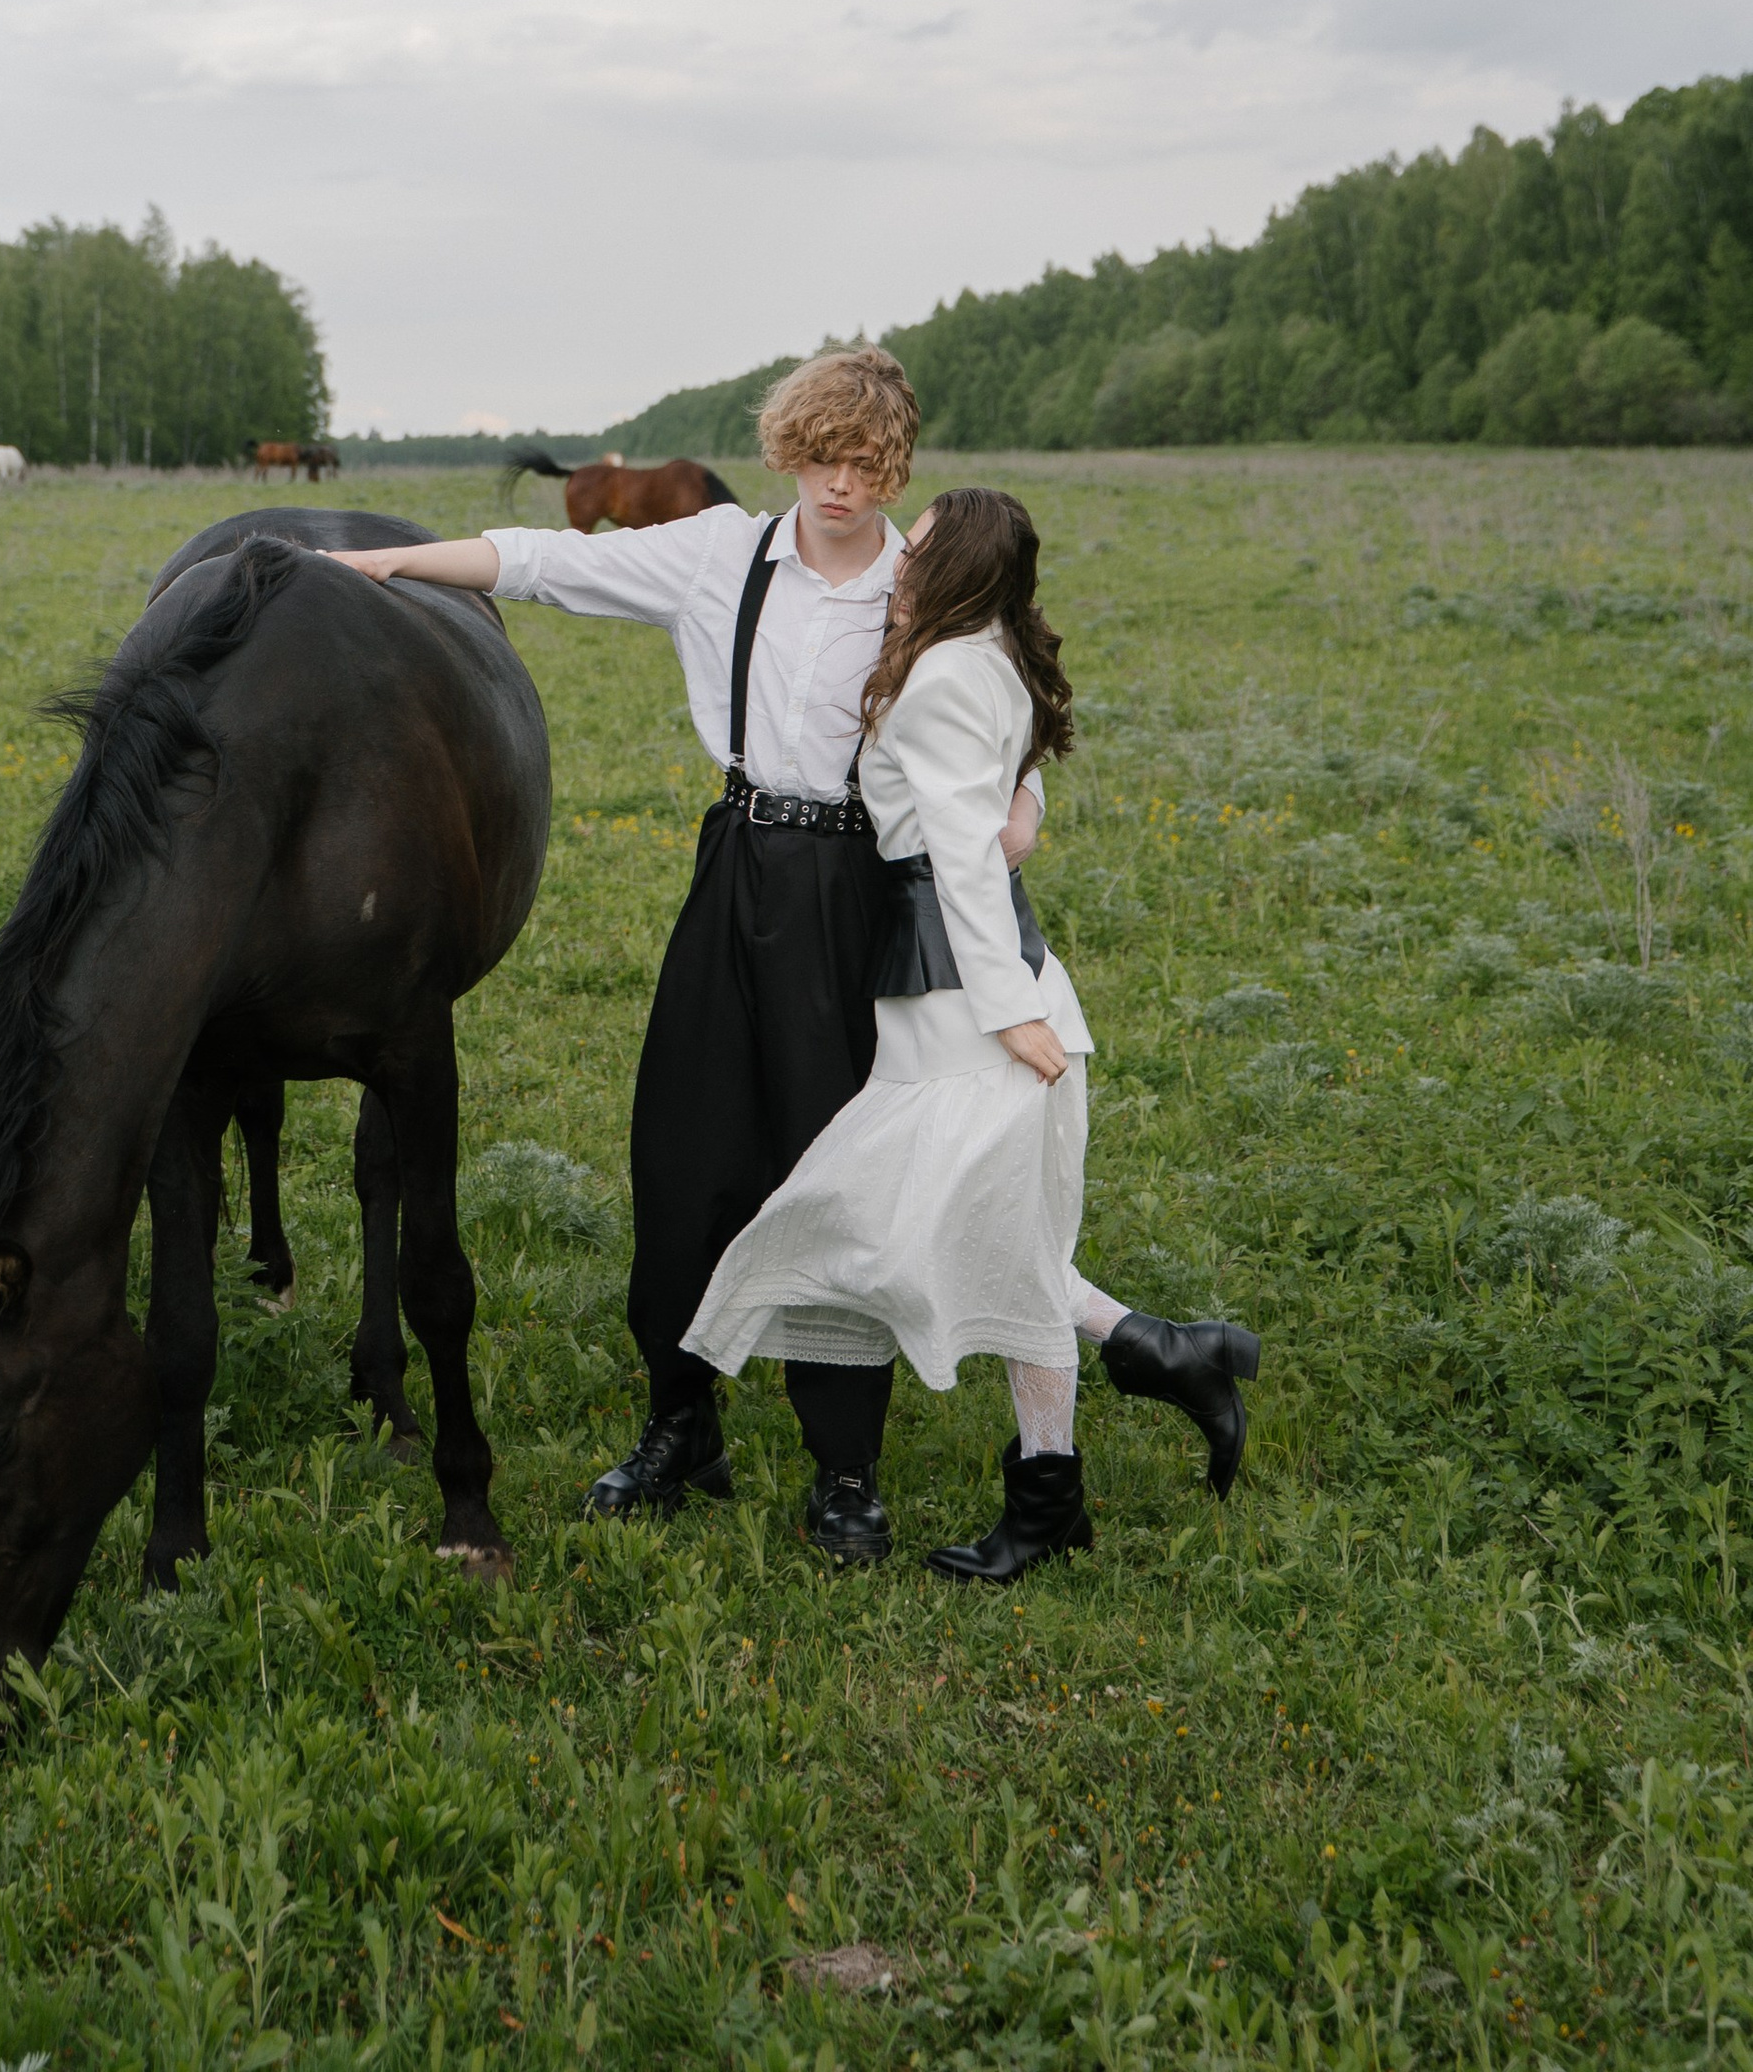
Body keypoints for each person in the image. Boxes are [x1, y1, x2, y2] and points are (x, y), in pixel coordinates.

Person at [326, 346, 1040, 1563]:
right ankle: (680, 1424)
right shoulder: (724, 554)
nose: (840, 486)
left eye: (866, 464)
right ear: (787, 452)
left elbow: (1008, 699)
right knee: (683, 1152)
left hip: (857, 891)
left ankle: (843, 1469)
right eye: (820, 457)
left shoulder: (925, 579)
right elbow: (548, 561)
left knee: (835, 1165)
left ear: (895, 467)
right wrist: (391, 561)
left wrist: (1023, 808)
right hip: (738, 868)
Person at [680, 483, 1260, 1582]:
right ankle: (1126, 1404)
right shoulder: (989, 650)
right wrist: (1023, 822)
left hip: (963, 1000)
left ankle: (1116, 1413)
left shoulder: (943, 675)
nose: (901, 555)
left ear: (954, 570)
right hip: (969, 988)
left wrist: (1011, 1014)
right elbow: (1012, 791)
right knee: (1004, 1241)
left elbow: (958, 860)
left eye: (923, 546)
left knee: (904, 1228)